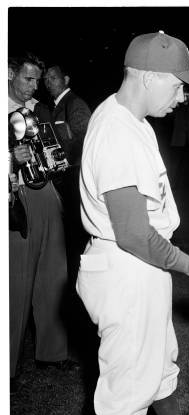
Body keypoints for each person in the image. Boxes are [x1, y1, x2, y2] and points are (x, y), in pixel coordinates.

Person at [76, 31, 189, 415]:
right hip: (127, 267)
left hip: (142, 266)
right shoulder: (116, 133)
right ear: (148, 77)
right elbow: (132, 234)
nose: (183, 95)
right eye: (178, 83)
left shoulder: (134, 120)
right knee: (126, 383)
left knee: (158, 355)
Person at [8, 52, 74, 392]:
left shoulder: (37, 108)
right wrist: (8, 156)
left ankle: (53, 351)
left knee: (54, 274)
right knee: (16, 284)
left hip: (46, 191)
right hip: (15, 200)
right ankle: (8, 366)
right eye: (28, 79)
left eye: (37, 80)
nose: (35, 86)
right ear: (8, 73)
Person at [41, 63, 92, 284]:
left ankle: (82, 281)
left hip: (75, 176)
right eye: (46, 79)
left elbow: (86, 139)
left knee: (76, 233)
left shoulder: (74, 103)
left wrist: (65, 161)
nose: (48, 82)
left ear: (66, 79)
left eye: (53, 77)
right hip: (64, 179)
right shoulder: (54, 106)